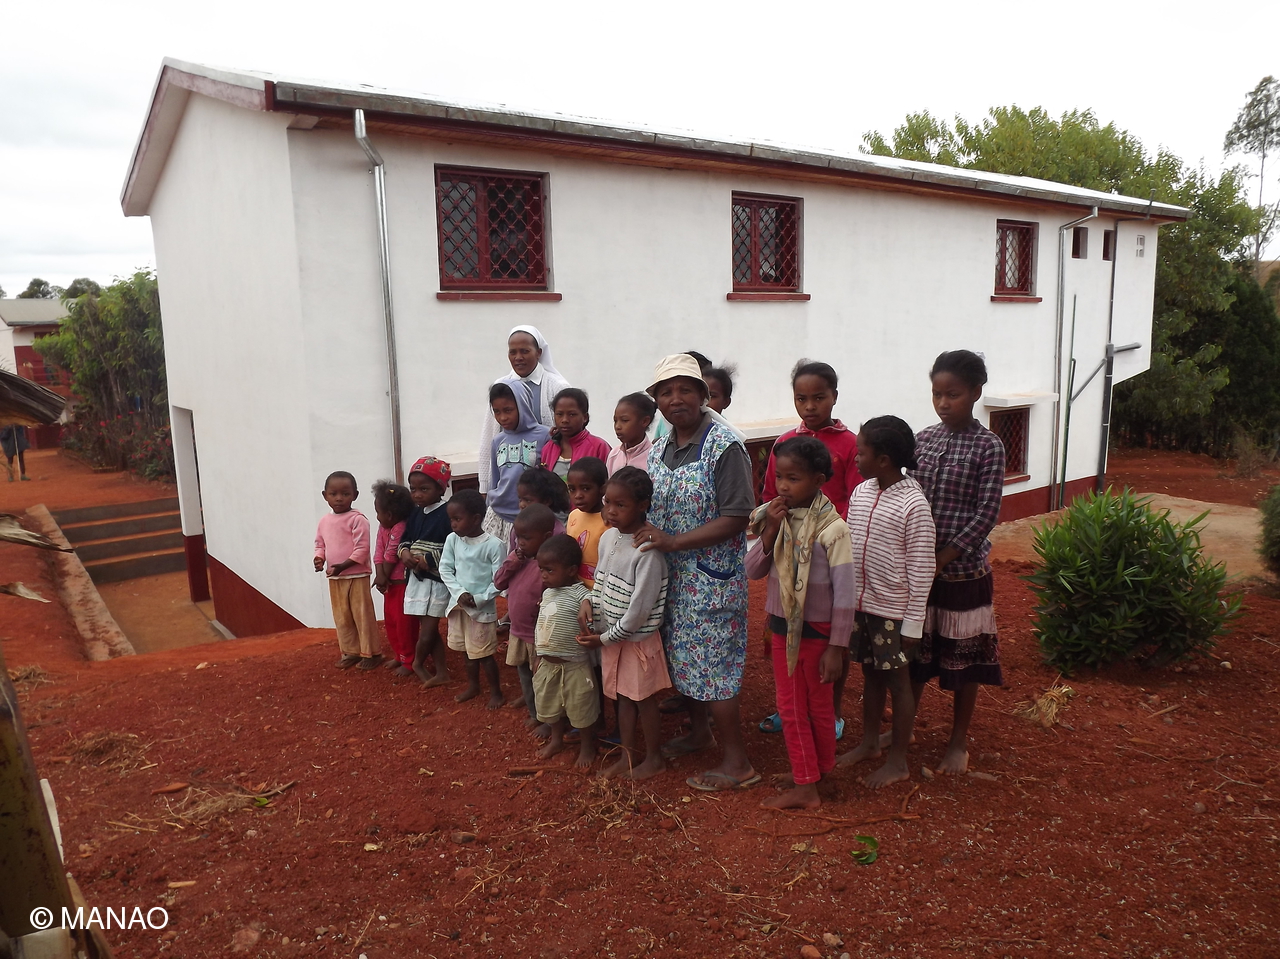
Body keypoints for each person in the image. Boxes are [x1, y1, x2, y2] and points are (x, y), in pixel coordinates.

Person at [638, 353, 758, 792]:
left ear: (704, 395)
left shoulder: (724, 447)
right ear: (656, 401)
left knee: (716, 667)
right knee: (684, 659)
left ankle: (737, 762)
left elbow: (737, 516)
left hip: (710, 579)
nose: (676, 399)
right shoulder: (661, 447)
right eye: (666, 392)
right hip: (670, 578)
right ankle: (698, 732)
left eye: (686, 389)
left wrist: (672, 542)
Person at [909, 350, 1006, 774]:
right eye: (937, 394)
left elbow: (986, 513)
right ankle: (902, 735)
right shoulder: (923, 438)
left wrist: (943, 557)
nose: (944, 402)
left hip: (963, 573)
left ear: (975, 393)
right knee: (913, 653)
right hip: (918, 571)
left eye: (953, 394)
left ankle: (958, 743)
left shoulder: (990, 446)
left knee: (963, 661)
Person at [746, 437, 854, 809]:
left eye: (794, 479)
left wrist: (837, 648)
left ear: (820, 479)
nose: (784, 486)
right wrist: (770, 532)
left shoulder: (833, 529)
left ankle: (807, 785)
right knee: (800, 706)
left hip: (817, 634)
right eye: (780, 477)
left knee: (800, 708)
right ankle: (817, 772)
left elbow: (845, 595)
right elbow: (753, 570)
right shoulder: (777, 519)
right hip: (781, 627)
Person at [758, 359, 863, 738]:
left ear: (834, 396)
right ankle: (789, 707)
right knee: (786, 629)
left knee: (830, 631)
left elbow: (855, 498)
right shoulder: (784, 443)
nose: (810, 406)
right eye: (801, 398)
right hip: (788, 548)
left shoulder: (849, 443)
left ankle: (831, 711)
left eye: (819, 397)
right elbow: (770, 493)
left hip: (830, 549)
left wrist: (827, 533)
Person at [838, 417, 936, 789]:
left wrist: (913, 623)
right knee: (870, 675)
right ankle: (868, 744)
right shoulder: (862, 491)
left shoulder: (914, 504)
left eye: (861, 451)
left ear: (883, 459)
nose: (855, 457)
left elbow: (922, 567)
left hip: (894, 612)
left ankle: (898, 761)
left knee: (899, 682)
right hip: (863, 607)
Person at [576, 467, 672, 781]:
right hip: (612, 637)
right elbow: (600, 583)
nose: (611, 511)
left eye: (621, 505)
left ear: (643, 504)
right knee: (624, 698)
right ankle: (629, 756)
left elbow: (639, 612)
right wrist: (588, 603)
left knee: (643, 700)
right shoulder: (608, 538)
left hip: (635, 640)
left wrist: (605, 639)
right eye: (607, 503)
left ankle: (654, 758)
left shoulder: (647, 552)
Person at [478, 326, 571, 495]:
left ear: (539, 352)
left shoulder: (557, 387)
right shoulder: (501, 386)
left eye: (525, 351)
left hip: (547, 480)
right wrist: (485, 486)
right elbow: (489, 436)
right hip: (510, 484)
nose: (518, 357)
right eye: (513, 352)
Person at [532, 534, 598, 766]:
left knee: (581, 707)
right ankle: (557, 739)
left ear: (571, 570)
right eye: (541, 569)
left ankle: (588, 747)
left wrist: (587, 603)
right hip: (548, 664)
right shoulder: (547, 592)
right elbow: (540, 626)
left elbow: (590, 601)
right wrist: (537, 655)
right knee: (549, 704)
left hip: (574, 665)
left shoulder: (580, 592)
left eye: (550, 570)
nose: (543, 575)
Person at [438, 489, 507, 708]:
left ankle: (496, 692)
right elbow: (445, 569)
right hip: (458, 607)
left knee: (484, 653)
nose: (453, 525)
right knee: (466, 651)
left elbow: (499, 580)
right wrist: (459, 594)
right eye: (451, 519)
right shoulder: (452, 540)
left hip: (481, 610)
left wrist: (479, 598)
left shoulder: (494, 545)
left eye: (457, 519)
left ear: (476, 518)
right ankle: (473, 686)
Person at [493, 503, 558, 727]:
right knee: (525, 677)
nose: (520, 542)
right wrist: (514, 560)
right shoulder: (517, 559)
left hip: (539, 636)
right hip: (517, 631)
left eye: (527, 538)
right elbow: (498, 582)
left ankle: (550, 720)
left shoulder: (548, 566)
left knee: (543, 680)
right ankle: (534, 714)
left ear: (546, 536)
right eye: (518, 537)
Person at [313, 471, 380, 670]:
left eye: (345, 493)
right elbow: (320, 544)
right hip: (335, 578)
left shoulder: (358, 519)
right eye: (334, 494)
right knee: (342, 616)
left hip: (356, 575)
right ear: (325, 496)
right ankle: (350, 651)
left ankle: (371, 653)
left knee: (362, 614)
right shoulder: (324, 521)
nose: (339, 498)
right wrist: (319, 558)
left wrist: (343, 566)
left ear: (355, 495)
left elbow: (362, 549)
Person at [399, 456, 454, 687]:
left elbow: (453, 545)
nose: (417, 494)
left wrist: (428, 560)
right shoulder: (415, 513)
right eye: (413, 489)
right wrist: (404, 554)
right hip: (417, 579)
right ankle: (441, 672)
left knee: (430, 628)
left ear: (441, 488)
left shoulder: (448, 512)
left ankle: (418, 663)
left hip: (437, 579)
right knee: (428, 628)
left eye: (424, 489)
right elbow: (406, 539)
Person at [482, 382, 551, 544]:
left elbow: (549, 480)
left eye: (508, 410)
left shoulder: (544, 436)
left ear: (523, 405)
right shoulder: (498, 441)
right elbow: (495, 480)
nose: (503, 417)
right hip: (497, 516)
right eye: (497, 412)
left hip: (529, 519)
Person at [371, 480, 416, 677]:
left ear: (389, 515)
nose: (377, 516)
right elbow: (378, 551)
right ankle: (399, 655)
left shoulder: (400, 528)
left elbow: (392, 553)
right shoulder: (384, 526)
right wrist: (380, 575)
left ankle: (409, 661)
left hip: (402, 585)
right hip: (389, 583)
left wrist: (382, 576)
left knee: (405, 625)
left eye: (378, 512)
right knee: (391, 622)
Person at [539, 389, 613, 478]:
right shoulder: (548, 448)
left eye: (572, 414)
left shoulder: (599, 447)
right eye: (559, 414)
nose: (564, 420)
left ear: (585, 417)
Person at [565, 457, 608, 587]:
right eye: (572, 489)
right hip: (574, 591)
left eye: (585, 488)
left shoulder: (610, 522)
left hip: (598, 594)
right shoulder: (573, 516)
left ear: (603, 488)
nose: (578, 495)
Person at [607, 392, 656, 475]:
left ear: (644, 421)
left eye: (625, 420)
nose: (617, 426)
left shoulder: (654, 458)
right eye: (615, 421)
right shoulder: (614, 455)